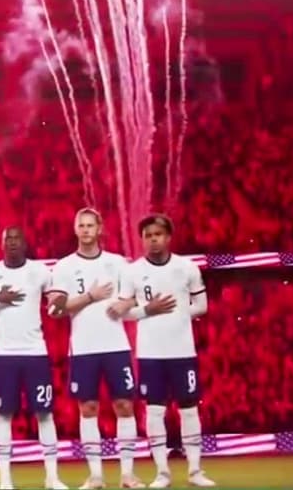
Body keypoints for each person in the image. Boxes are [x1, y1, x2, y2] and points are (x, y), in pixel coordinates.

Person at [114, 214, 214, 488]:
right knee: (155, 412)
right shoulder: (132, 272)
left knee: (189, 410)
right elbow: (123, 312)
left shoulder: (187, 268)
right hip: (150, 354)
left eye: (157, 234)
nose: (153, 240)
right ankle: (162, 473)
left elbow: (201, 306)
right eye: (148, 235)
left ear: (168, 237)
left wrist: (177, 314)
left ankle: (195, 471)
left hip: (183, 352)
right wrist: (148, 310)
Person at [46, 208, 141, 489]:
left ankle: (127, 475)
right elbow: (55, 309)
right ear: (75, 229)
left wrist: (126, 303)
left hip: (116, 346)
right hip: (83, 348)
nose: (86, 230)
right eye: (82, 225)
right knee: (88, 408)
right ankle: (96, 476)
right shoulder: (63, 266)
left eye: (91, 225)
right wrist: (90, 296)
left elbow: (138, 295)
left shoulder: (118, 263)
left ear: (100, 229)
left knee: (124, 405)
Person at [0, 227, 67, 490]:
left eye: (18, 238)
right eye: (9, 239)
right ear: (2, 244)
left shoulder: (40, 271)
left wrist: (59, 305)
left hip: (35, 353)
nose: (13, 242)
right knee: (3, 415)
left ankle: (52, 477)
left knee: (45, 414)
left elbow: (55, 300)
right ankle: (5, 480)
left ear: (25, 243)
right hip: (3, 355)